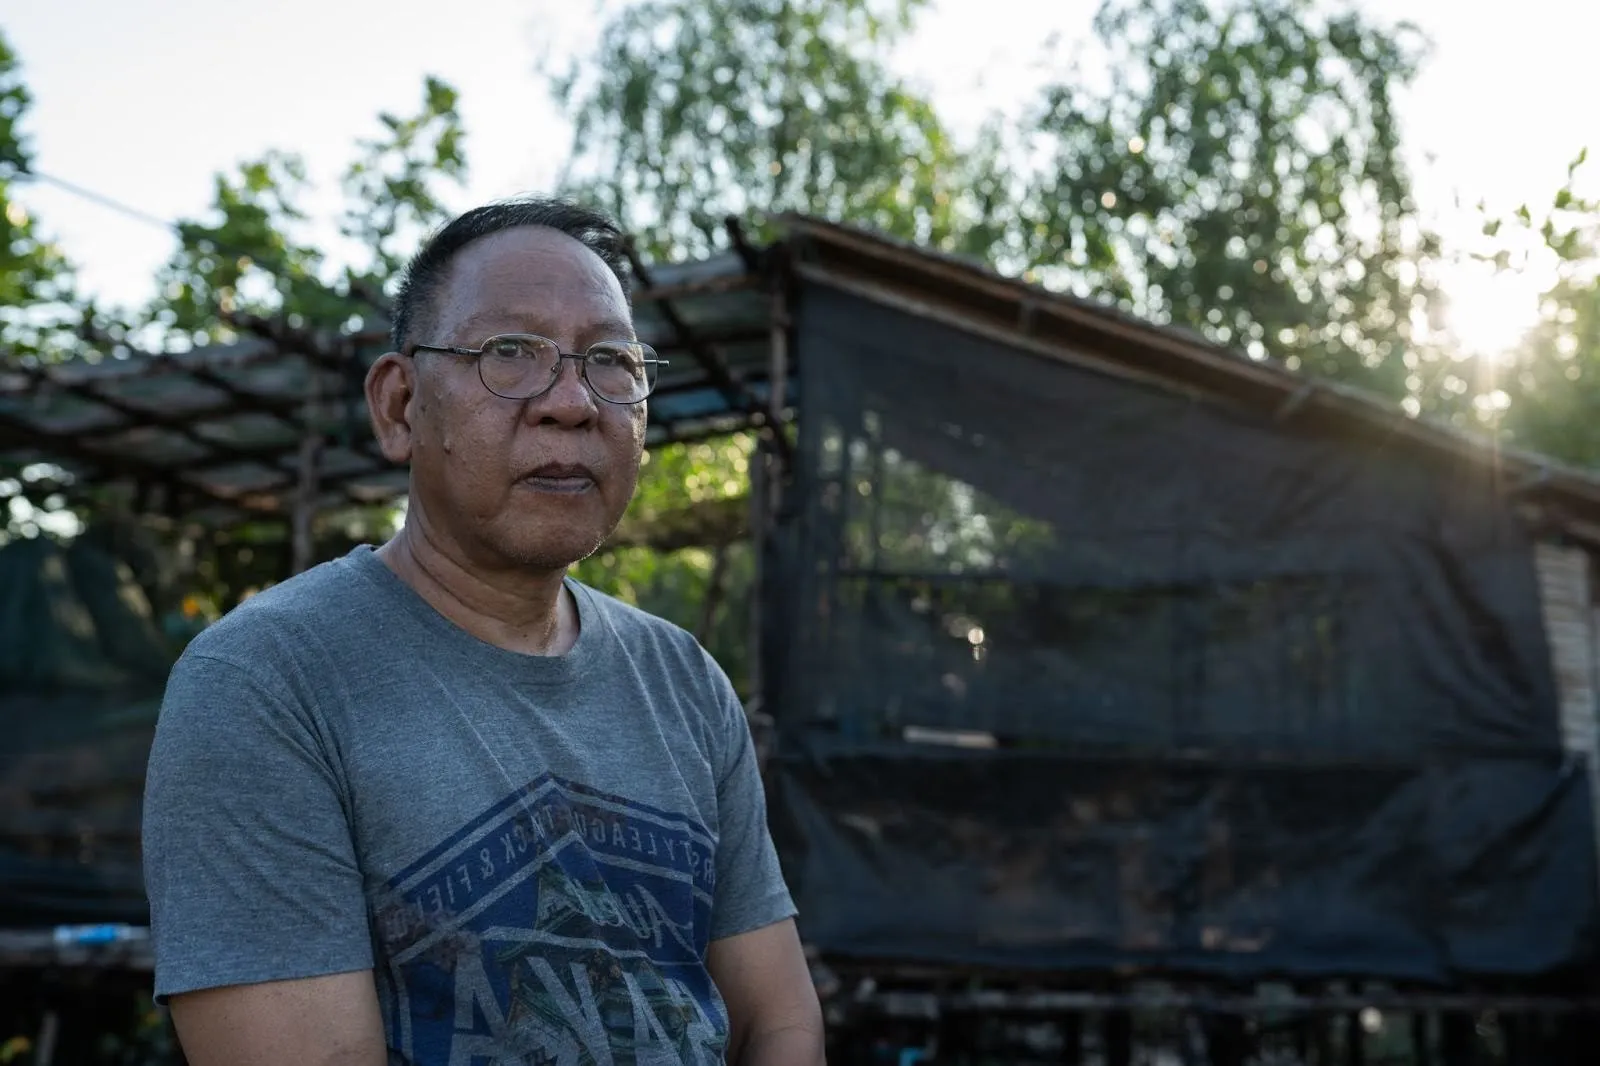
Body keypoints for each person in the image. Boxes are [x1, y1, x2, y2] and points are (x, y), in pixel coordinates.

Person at [141, 198, 825, 1066]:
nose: (573, 404)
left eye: (611, 361)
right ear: (399, 406)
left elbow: (778, 1019)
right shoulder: (267, 682)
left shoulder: (682, 680)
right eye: (511, 353)